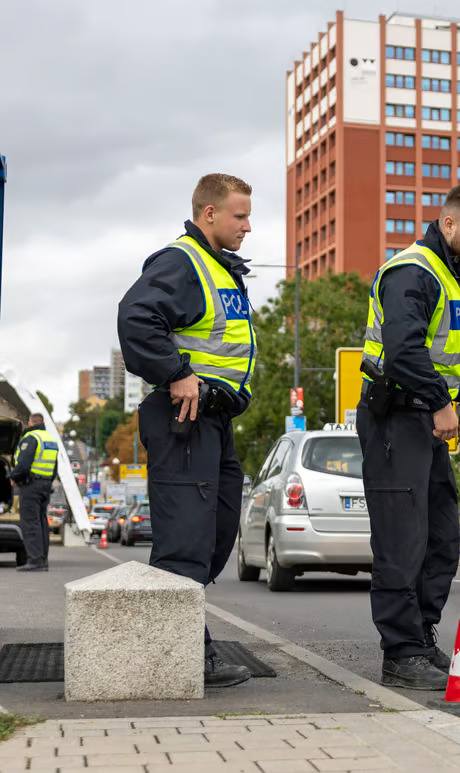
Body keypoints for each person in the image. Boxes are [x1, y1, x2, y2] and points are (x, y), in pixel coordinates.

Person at [116, 173, 257, 688]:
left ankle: (182, 643)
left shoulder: (220, 267)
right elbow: (135, 317)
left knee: (217, 533)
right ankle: (183, 654)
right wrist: (176, 373)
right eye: (239, 216)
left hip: (214, 420)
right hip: (184, 419)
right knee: (184, 543)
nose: (248, 226)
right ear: (209, 214)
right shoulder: (182, 261)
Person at [357, 183, 460, 690]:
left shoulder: (454, 279)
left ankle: (421, 635)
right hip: (397, 418)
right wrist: (442, 403)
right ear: (449, 224)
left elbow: (453, 352)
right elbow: (403, 349)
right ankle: (401, 652)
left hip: (430, 422)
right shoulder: (413, 271)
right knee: (402, 539)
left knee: (440, 537)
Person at [7, 413, 57, 571]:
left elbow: (23, 463)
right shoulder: (50, 439)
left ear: (30, 422)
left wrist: (14, 477)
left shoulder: (32, 438)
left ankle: (35, 561)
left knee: (30, 523)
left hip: (31, 485)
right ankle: (42, 560)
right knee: (41, 522)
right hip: (45, 484)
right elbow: (55, 467)